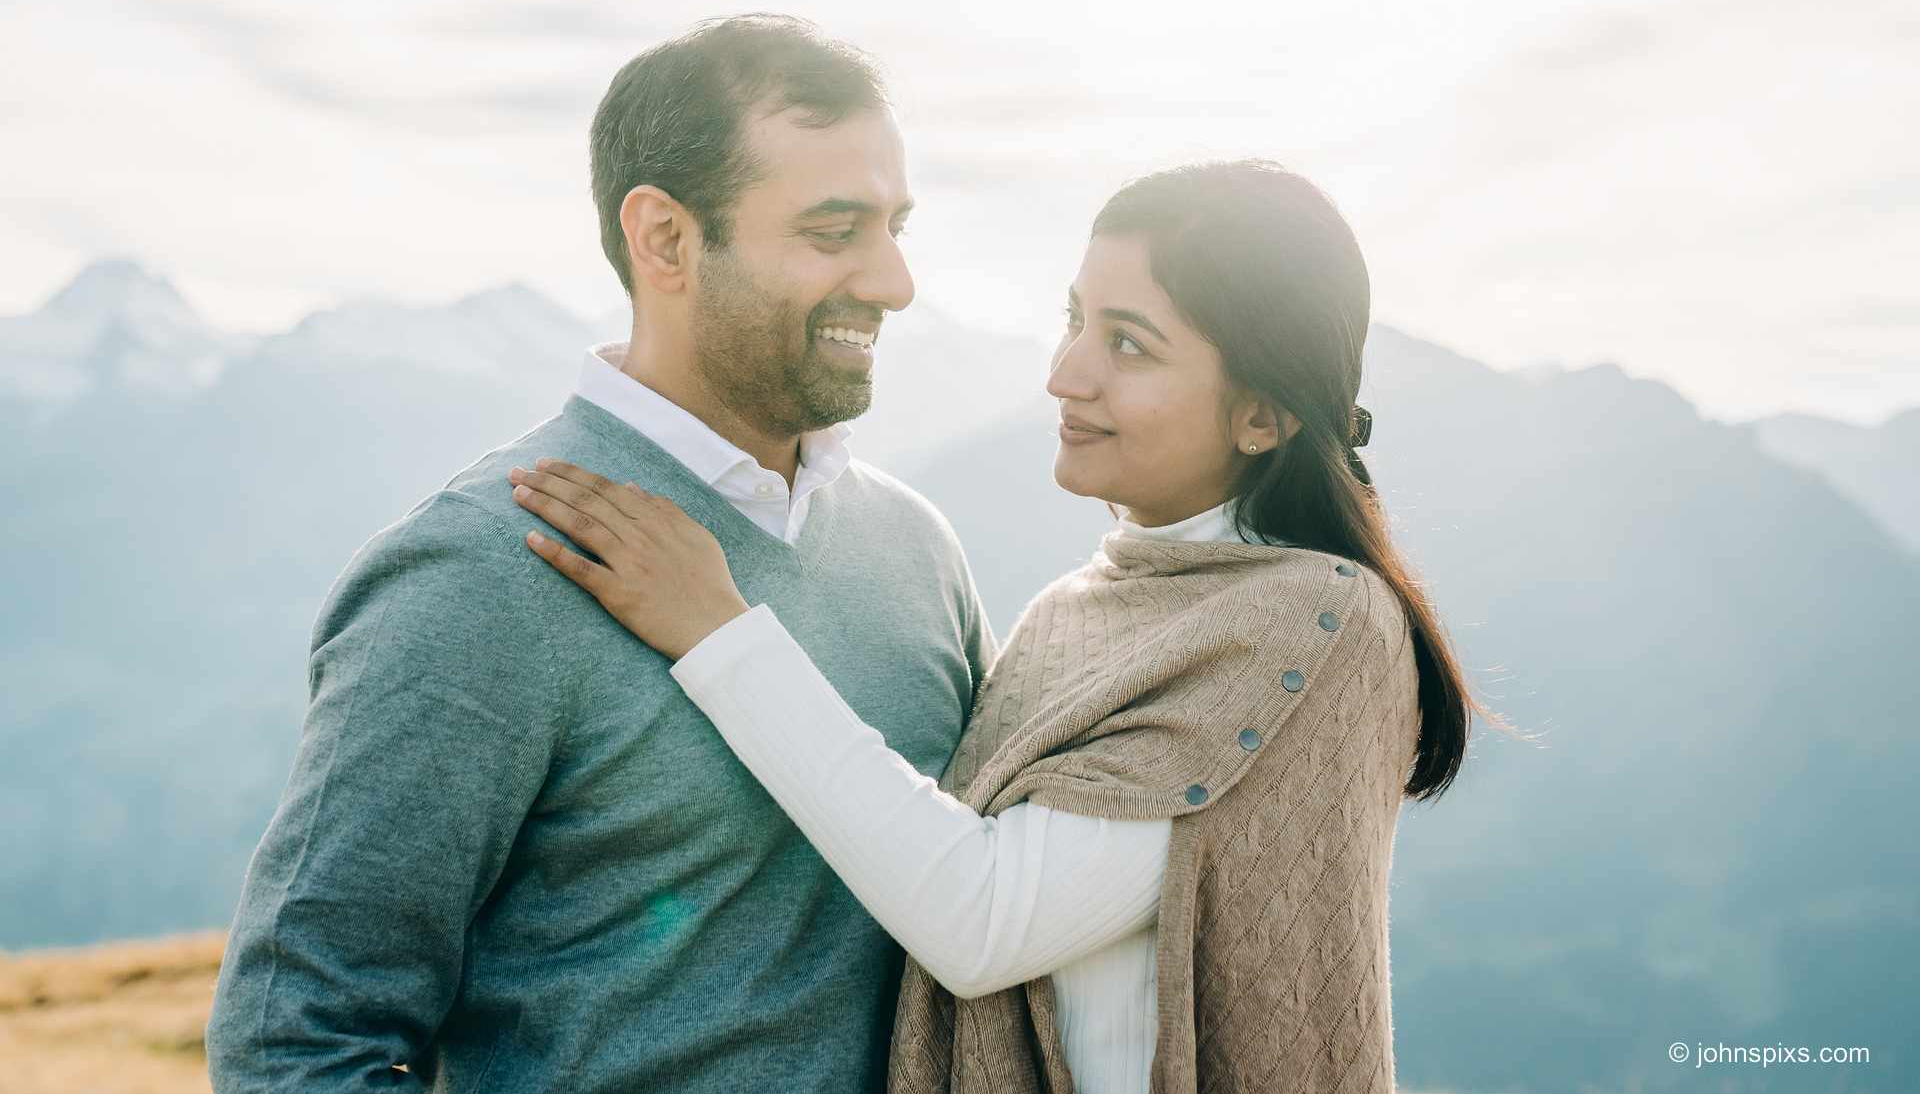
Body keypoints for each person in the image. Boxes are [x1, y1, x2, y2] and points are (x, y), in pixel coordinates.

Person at [512, 159, 1498, 1093]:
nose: (1067, 374)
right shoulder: (1074, 609)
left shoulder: (1320, 624)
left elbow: (978, 920)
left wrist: (716, 629)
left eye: (1129, 343)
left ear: (1261, 417)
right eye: (1076, 320)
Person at [205, 15, 995, 1093]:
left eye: (896, 225)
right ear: (664, 239)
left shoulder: (916, 551)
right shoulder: (481, 571)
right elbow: (292, 1043)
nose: (895, 281)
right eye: (833, 230)